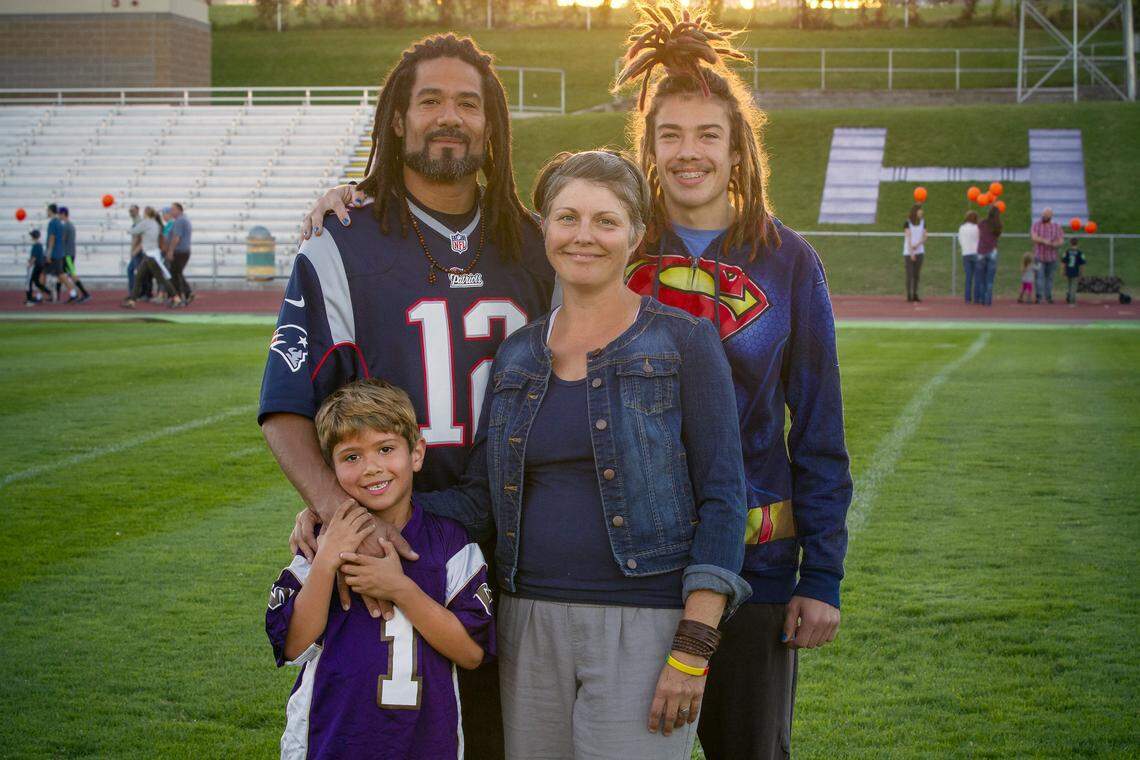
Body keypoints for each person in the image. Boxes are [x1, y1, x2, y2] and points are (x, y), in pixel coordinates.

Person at [264, 33, 556, 760]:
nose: (448, 117)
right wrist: (345, 519)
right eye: (430, 100)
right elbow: (285, 408)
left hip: (531, 540)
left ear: (492, 124)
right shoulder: (341, 244)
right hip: (405, 540)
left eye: (468, 103)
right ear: (397, 119)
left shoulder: (540, 246)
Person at [416, 149, 749, 759]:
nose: (584, 237)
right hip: (525, 622)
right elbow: (479, 497)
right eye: (567, 218)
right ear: (545, 227)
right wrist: (361, 513)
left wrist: (694, 648)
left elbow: (725, 499)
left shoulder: (685, 342)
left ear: (636, 234)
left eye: (605, 221)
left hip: (645, 623)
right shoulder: (516, 353)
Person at [613, 7, 851, 758]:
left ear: (738, 148)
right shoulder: (607, 244)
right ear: (648, 148)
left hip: (756, 567)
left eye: (708, 135)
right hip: (629, 564)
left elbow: (818, 426)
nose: (690, 154)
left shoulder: (788, 260)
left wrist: (824, 577)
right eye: (670, 135)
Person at [266, 379, 494, 760]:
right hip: (331, 740)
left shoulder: (449, 543)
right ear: (330, 469)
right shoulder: (319, 542)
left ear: (416, 453)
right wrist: (326, 560)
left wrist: (399, 588)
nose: (371, 468)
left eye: (386, 449)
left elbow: (471, 654)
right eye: (351, 457)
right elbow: (292, 646)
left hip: (425, 743)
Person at [122, 207, 182, 309]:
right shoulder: (155, 224)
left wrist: (125, 229)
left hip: (150, 255)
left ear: (146, 213)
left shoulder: (146, 223)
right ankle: (132, 301)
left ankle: (176, 298)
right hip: (152, 254)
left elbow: (134, 231)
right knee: (139, 277)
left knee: (160, 278)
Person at [1030, 207, 1063, 304]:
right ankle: (1039, 297)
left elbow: (1061, 240)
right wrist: (1045, 241)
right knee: (1039, 277)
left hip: (1052, 257)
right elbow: (1034, 237)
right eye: (1043, 215)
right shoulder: (1036, 225)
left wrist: (1055, 244)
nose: (1044, 216)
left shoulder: (1056, 226)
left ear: (1051, 216)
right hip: (1039, 257)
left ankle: (1048, 297)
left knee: (1050, 278)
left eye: (1047, 215)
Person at [58, 207, 91, 303]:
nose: (59, 216)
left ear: (63, 214)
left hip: (67, 255)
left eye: (60, 214)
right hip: (70, 254)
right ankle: (74, 294)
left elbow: (62, 241)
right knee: (65, 274)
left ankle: (84, 293)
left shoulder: (66, 226)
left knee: (71, 274)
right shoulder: (71, 225)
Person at [165, 202, 194, 304]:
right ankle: (185, 294)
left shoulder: (180, 221)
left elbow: (176, 237)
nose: (171, 211)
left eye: (173, 209)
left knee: (175, 274)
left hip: (179, 251)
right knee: (177, 273)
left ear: (179, 210)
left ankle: (179, 296)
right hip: (183, 251)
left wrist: (170, 251)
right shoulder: (183, 220)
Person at [44, 203, 73, 301]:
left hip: (54, 253)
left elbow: (52, 238)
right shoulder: (60, 223)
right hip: (59, 252)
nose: (47, 212)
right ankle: (53, 295)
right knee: (58, 275)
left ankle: (72, 294)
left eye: (48, 210)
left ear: (51, 211)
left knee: (60, 275)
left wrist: (48, 253)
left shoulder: (52, 223)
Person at [974, 206, 1002, 306]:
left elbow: (978, 232)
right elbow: (997, 236)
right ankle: (988, 300)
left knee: (981, 278)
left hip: (981, 251)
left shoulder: (982, 223)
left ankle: (982, 300)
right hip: (992, 251)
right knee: (990, 279)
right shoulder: (998, 225)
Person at [903, 203, 927, 302]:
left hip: (920, 251)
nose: (921, 212)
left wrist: (918, 244)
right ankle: (909, 294)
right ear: (915, 211)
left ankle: (915, 294)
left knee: (917, 275)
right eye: (920, 210)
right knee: (909, 274)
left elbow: (925, 236)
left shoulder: (923, 222)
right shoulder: (907, 223)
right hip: (908, 252)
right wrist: (911, 252)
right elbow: (908, 237)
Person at [958, 210, 980, 303]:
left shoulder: (961, 228)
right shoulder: (977, 227)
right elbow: (979, 239)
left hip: (966, 253)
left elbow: (960, 239)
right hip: (976, 253)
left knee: (968, 277)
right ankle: (976, 298)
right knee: (977, 277)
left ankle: (967, 298)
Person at [24, 229, 51, 306]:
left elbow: (34, 257)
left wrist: (29, 265)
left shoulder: (35, 245)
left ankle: (29, 298)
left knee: (28, 282)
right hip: (40, 266)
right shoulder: (40, 245)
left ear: (33, 237)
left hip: (35, 266)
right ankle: (48, 291)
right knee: (36, 282)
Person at [1061, 237, 1087, 305]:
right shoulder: (1080, 253)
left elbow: (1063, 262)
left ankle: (1069, 298)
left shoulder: (1067, 252)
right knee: (1074, 286)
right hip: (1075, 270)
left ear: (1070, 243)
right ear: (1077, 243)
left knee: (1069, 285)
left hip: (1068, 270)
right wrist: (1081, 273)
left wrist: (1063, 271)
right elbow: (1082, 264)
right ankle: (1072, 300)